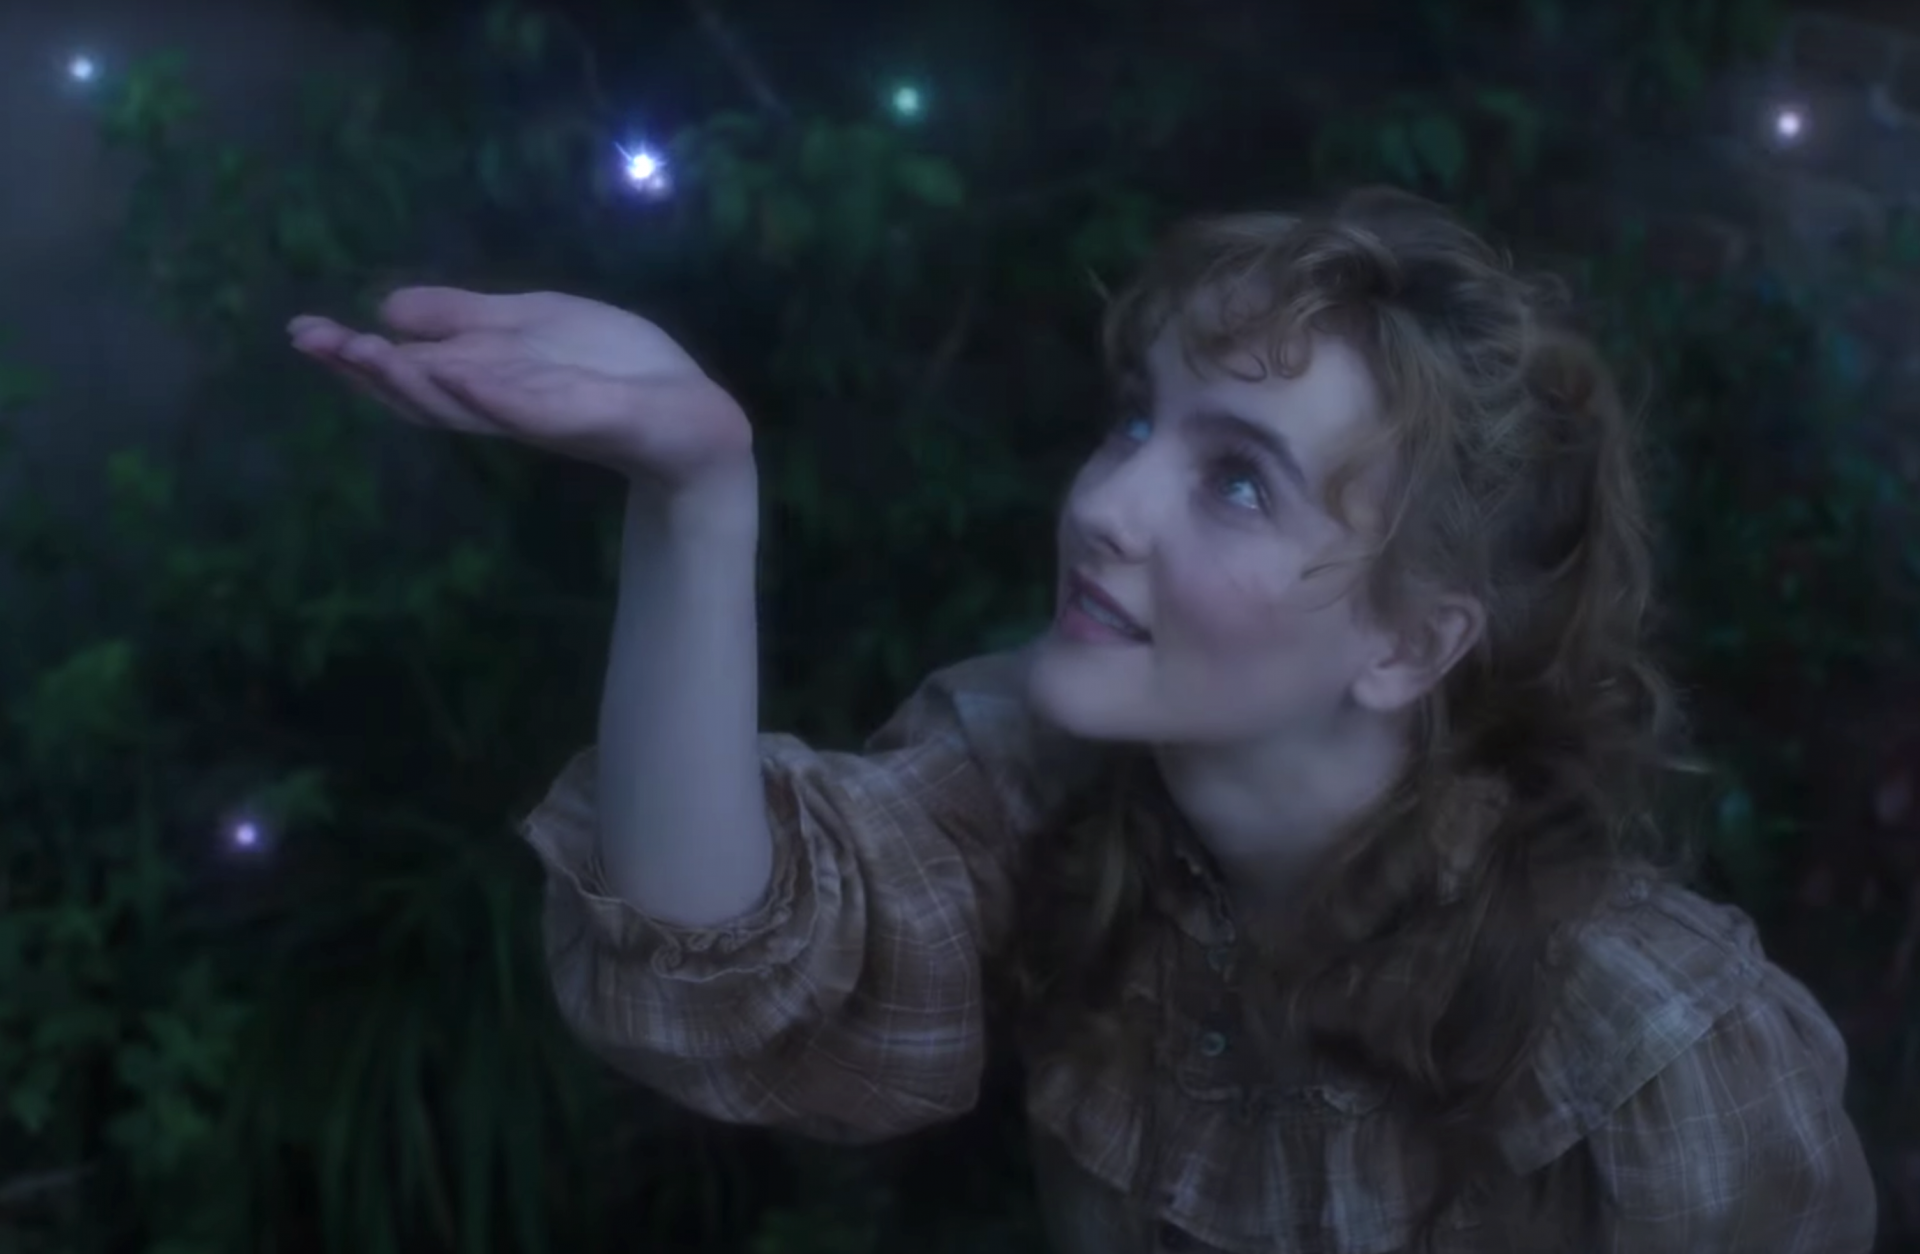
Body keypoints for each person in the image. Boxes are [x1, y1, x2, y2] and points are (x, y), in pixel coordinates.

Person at [287, 188, 1877, 1253]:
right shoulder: (1042, 778)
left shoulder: (1655, 1051)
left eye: (1235, 479)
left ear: (1408, 642)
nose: (1104, 504)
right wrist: (697, 492)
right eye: (1135, 420)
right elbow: (722, 969)